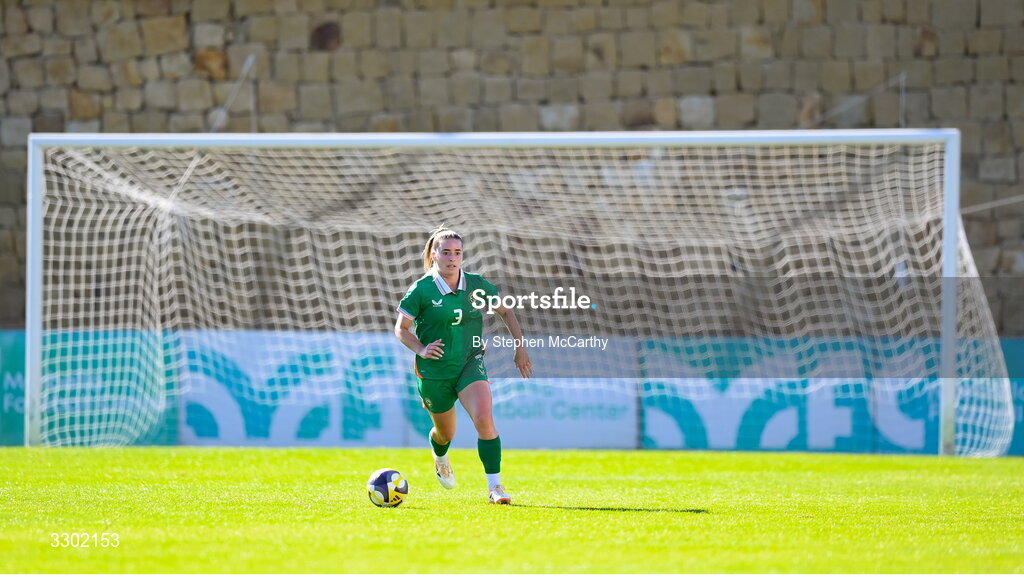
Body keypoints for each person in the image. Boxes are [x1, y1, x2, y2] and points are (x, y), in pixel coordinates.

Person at [394, 225, 533, 504]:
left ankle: (496, 488)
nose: (452, 258)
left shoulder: (477, 285)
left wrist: (520, 348)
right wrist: (421, 348)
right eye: (446, 252)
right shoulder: (421, 290)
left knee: (484, 419)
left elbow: (506, 311)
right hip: (435, 371)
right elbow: (401, 328)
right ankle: (440, 457)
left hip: (470, 363)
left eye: (457, 252)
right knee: (446, 433)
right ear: (434, 255)